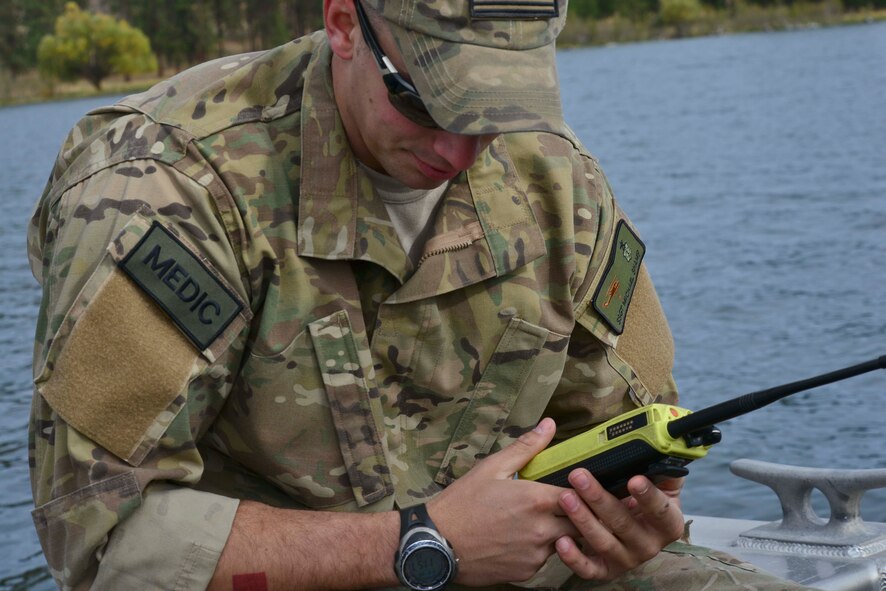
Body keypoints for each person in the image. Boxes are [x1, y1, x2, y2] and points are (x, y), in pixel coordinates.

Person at [26, 0, 816, 590]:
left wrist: (626, 520)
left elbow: (626, 434)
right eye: (427, 100)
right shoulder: (166, 191)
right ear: (343, 22)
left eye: (497, 109)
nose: (459, 149)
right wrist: (424, 541)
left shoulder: (556, 182)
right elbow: (103, 543)